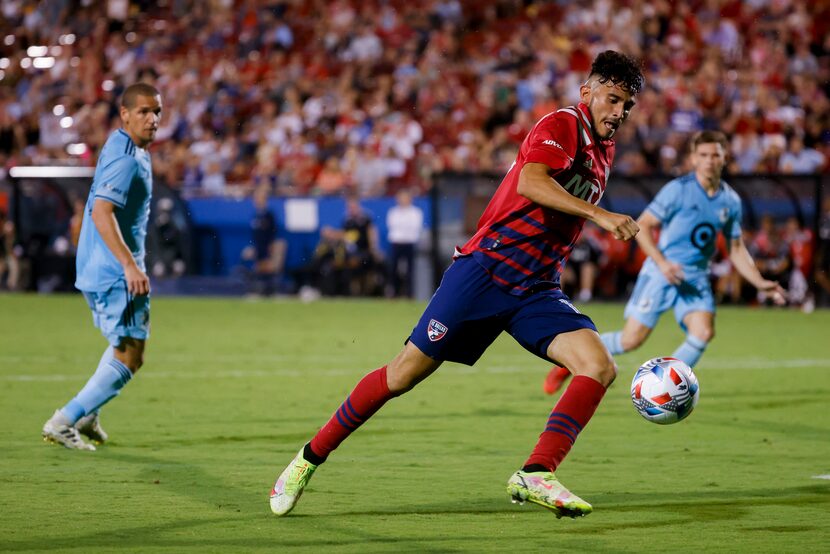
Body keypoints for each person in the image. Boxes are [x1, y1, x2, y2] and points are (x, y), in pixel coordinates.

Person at [270, 50, 644, 518]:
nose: (619, 112)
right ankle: (308, 459)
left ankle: (537, 472)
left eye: (627, 105)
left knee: (598, 364)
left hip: (536, 288)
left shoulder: (604, 149)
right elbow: (530, 182)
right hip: (485, 271)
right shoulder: (564, 123)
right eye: (612, 99)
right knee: (403, 373)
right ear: (587, 92)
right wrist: (599, 215)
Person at [543, 130, 787, 395]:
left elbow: (736, 247)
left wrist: (760, 282)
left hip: (694, 278)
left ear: (724, 157)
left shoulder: (730, 200)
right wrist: (662, 263)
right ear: (693, 159)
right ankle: (569, 365)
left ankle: (665, 391)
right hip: (661, 272)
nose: (709, 160)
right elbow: (643, 226)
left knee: (703, 333)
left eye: (715, 155)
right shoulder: (677, 191)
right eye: (703, 155)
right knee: (631, 339)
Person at [41, 83, 162, 450]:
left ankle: (90, 414)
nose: (152, 119)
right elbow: (100, 211)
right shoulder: (127, 158)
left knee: (122, 342)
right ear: (124, 114)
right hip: (114, 270)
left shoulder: (124, 145)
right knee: (131, 353)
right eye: (143, 111)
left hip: (104, 264)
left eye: (156, 111)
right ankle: (64, 421)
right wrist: (129, 265)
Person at [386, 188, 424, 298]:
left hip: (409, 243)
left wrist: (403, 231)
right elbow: (393, 227)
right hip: (396, 243)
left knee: (410, 270)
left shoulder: (416, 212)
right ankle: (394, 293)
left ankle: (409, 294)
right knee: (393, 269)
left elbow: (415, 227)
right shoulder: (393, 212)